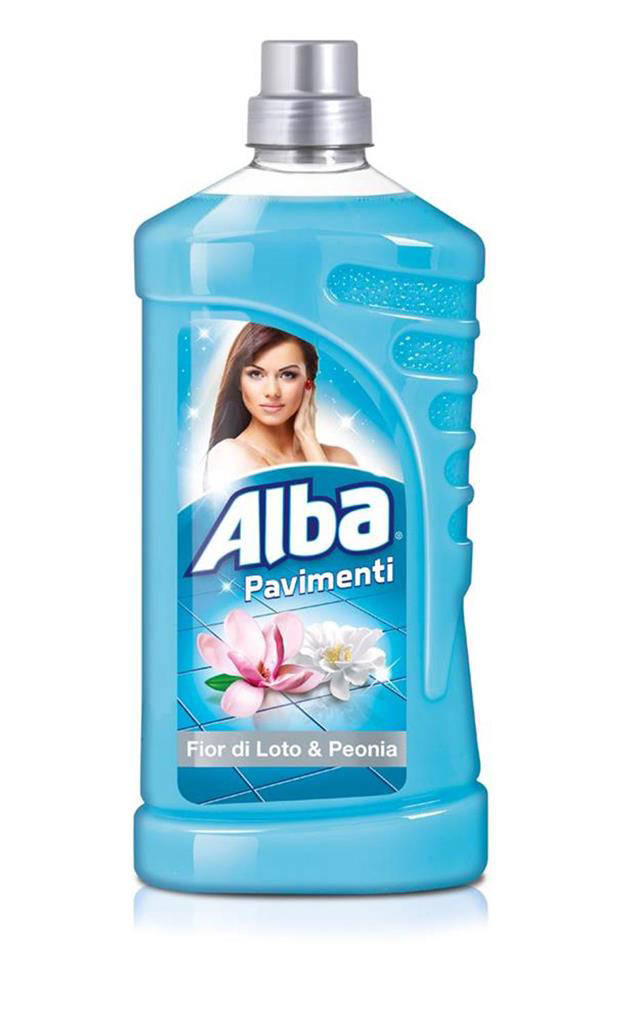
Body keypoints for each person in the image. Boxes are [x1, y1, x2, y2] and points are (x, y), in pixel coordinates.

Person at [204, 323, 357, 487]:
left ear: (309, 383)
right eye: (256, 374)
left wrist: (308, 440)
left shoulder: (341, 459)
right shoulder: (229, 456)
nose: (272, 391)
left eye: (287, 375)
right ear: (238, 381)